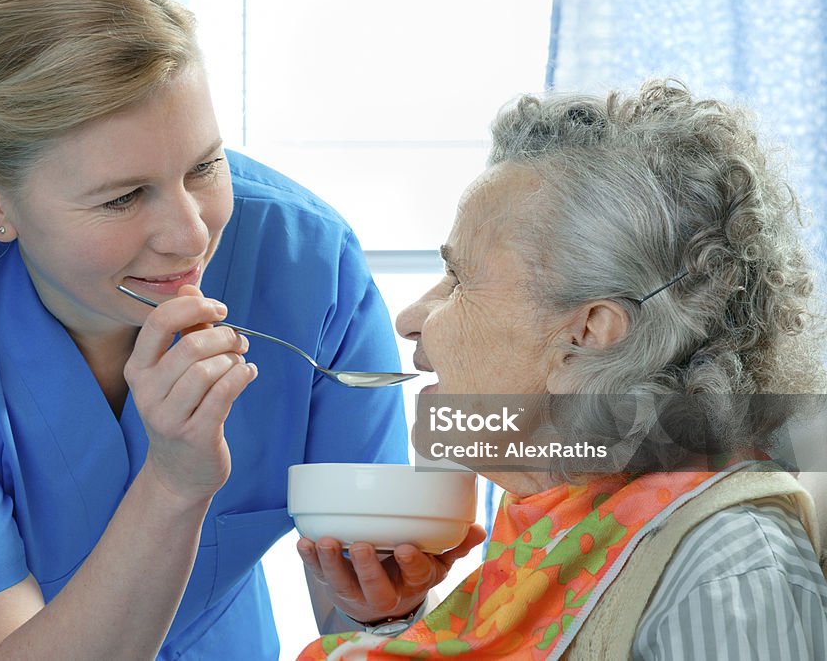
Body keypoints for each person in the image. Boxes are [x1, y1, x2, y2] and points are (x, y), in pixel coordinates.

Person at [0, 0, 481, 659]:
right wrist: (174, 481)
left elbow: (358, 593)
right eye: (123, 198)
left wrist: (381, 606)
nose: (192, 236)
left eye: (205, 165)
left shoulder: (309, 268)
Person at [298, 79, 827, 659]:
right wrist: (391, 620)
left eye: (459, 279)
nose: (411, 317)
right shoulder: (563, 517)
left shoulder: (729, 565)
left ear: (585, 338)